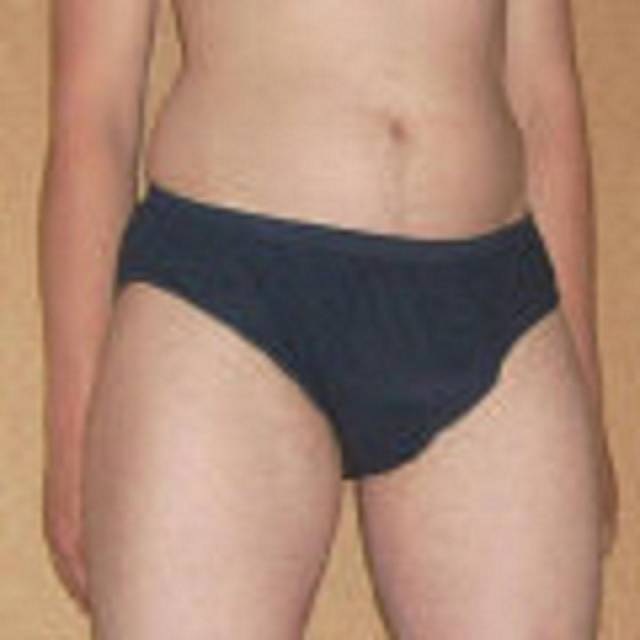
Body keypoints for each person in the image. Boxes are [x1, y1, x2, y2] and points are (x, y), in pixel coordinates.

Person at [39, 0, 618, 637]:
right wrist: (74, 432)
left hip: (498, 304)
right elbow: (96, 114)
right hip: (225, 297)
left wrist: (586, 402)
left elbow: (544, 98)